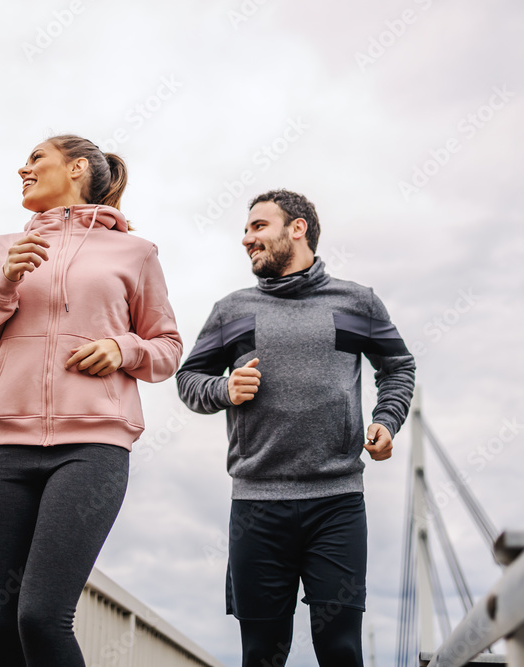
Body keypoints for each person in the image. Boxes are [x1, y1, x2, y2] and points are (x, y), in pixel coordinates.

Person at [0, 134, 182, 666]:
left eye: (36, 158)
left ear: (77, 167)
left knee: (40, 616)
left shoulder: (136, 252)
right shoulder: (3, 247)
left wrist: (123, 348)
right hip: (6, 450)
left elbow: (168, 348)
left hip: (92, 450)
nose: (23, 168)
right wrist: (4, 282)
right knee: (0, 625)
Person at [176, 189, 415, 667]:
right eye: (245, 230)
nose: (246, 239)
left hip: (337, 502)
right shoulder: (231, 309)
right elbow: (189, 379)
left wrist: (386, 421)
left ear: (297, 228)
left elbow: (397, 367)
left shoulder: (357, 302)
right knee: (261, 653)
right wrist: (225, 389)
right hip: (256, 504)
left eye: (258, 226)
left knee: (341, 649)